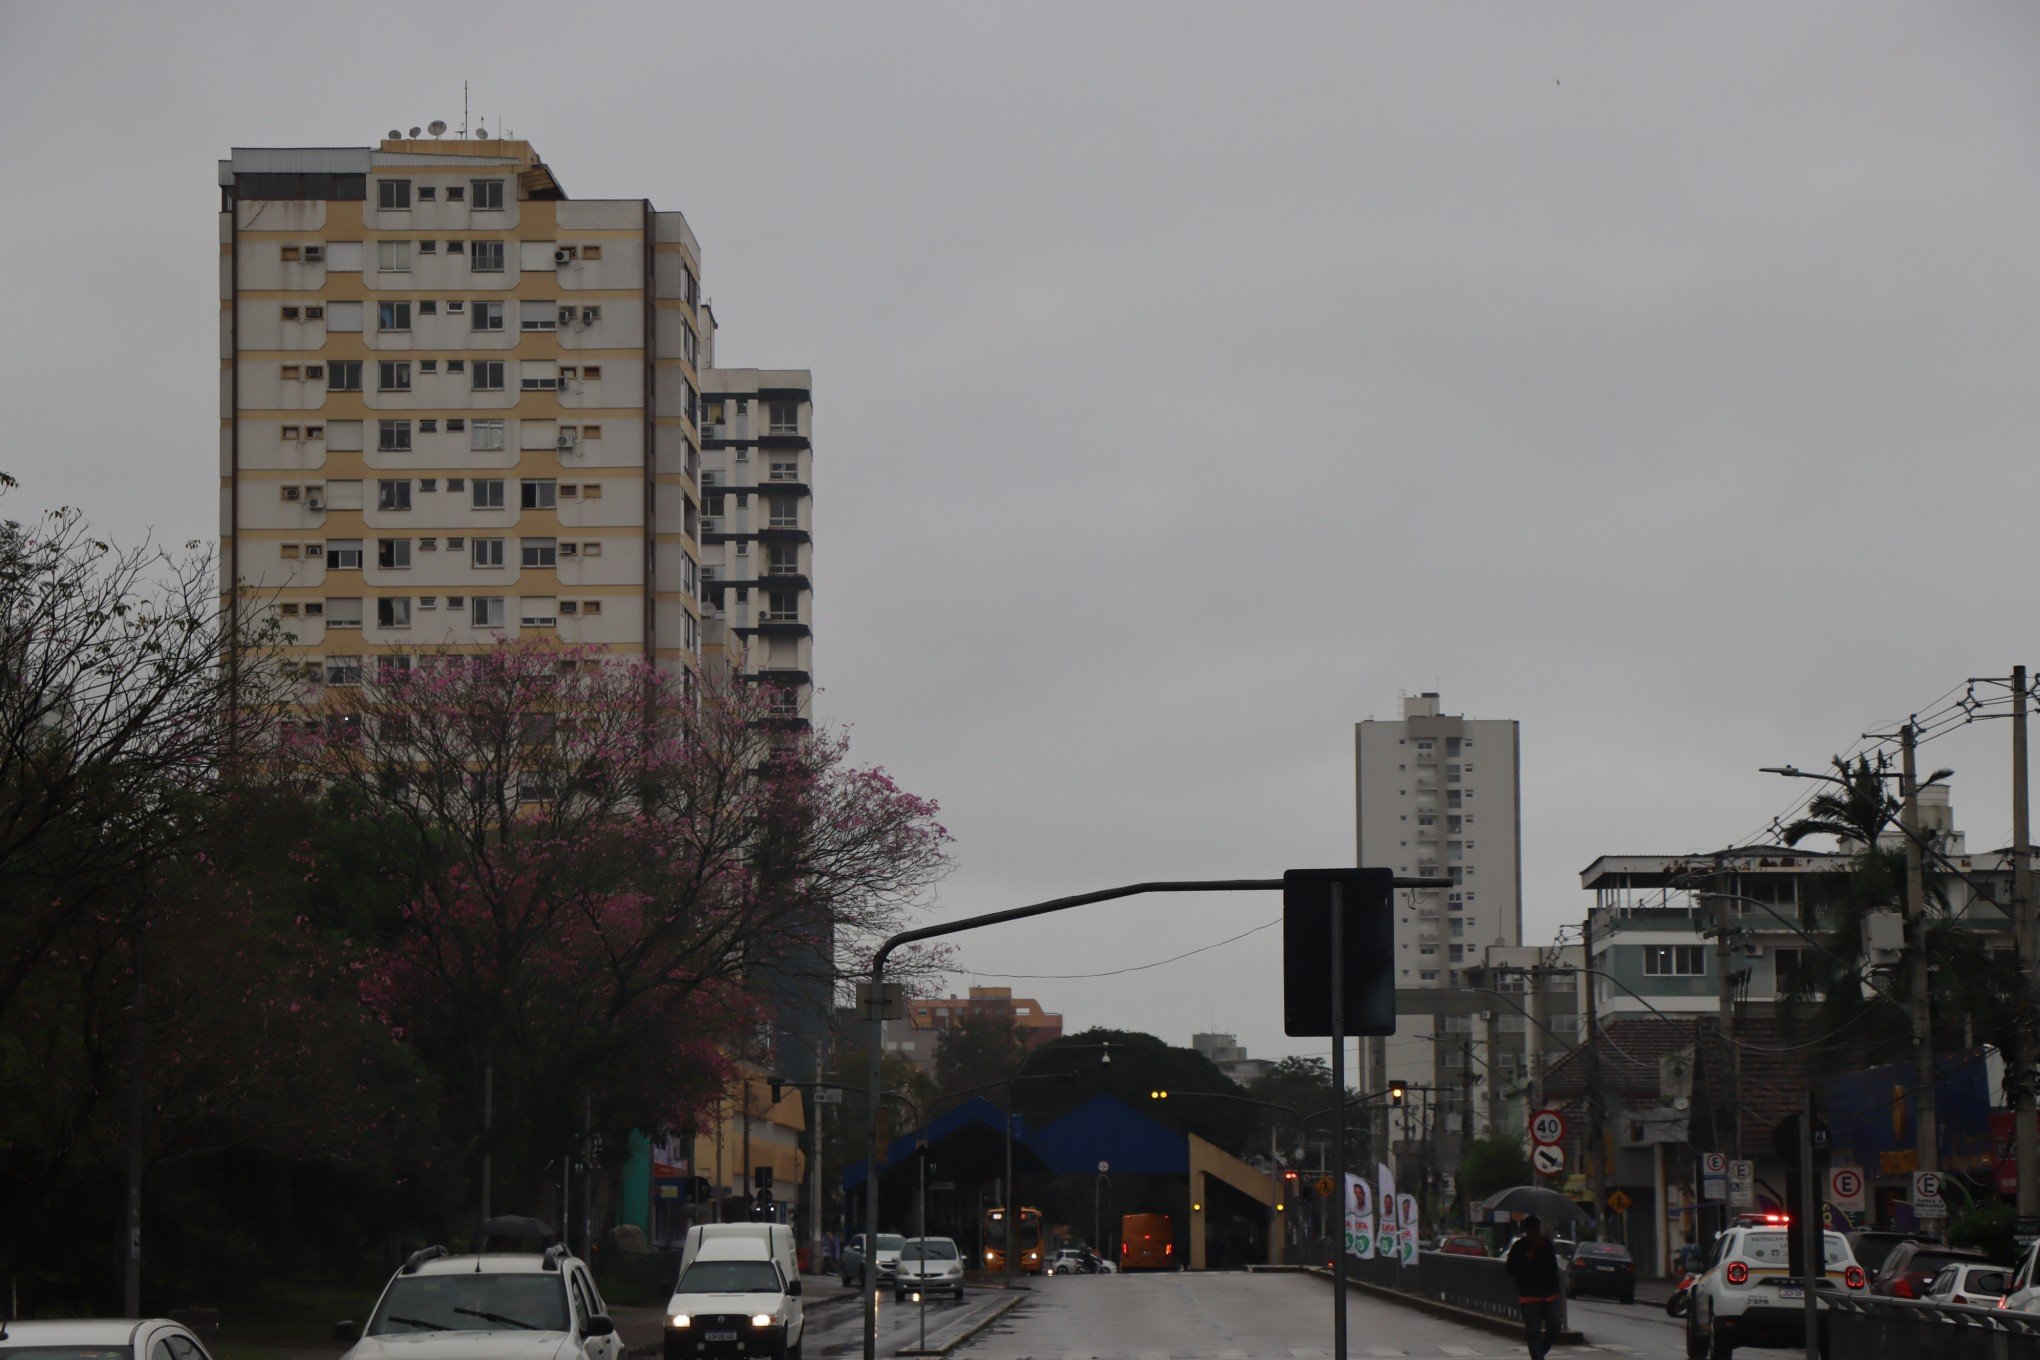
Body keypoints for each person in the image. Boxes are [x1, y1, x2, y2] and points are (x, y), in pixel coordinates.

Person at [1503, 1215, 1563, 1360]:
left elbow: (1553, 1268)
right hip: (1529, 1296)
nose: (1534, 1232)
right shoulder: (1519, 1247)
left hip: (1549, 1295)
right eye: (1531, 1229)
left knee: (1554, 1326)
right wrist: (1525, 1258)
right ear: (1526, 1230)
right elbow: (1510, 1269)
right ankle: (1538, 1357)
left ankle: (1540, 1351)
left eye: (1536, 1229)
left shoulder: (1547, 1244)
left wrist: (1557, 1291)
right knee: (1534, 1331)